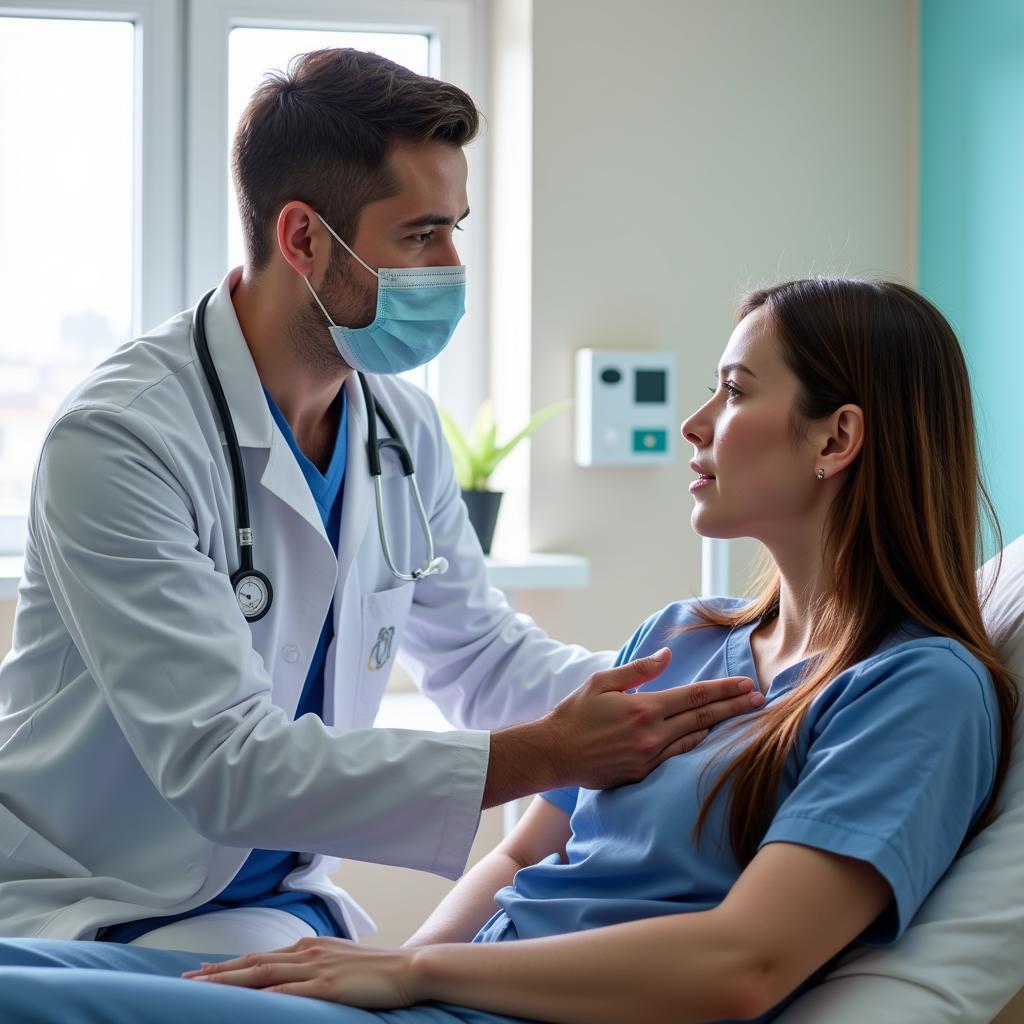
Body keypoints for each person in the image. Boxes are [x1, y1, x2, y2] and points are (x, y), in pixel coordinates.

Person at [0, 276, 1015, 1024]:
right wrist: (391, 982)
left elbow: (742, 962)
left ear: (835, 439)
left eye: (736, 391)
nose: (696, 423)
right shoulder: (683, 637)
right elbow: (525, 850)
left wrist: (415, 976)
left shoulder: (914, 688)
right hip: (447, 994)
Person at [0, 49, 753, 953]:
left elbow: (478, 658)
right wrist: (555, 752)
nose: (451, 267)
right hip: (88, 908)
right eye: (420, 236)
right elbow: (222, 763)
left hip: (271, 911)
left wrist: (695, 692)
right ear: (304, 238)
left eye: (456, 230)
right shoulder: (121, 439)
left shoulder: (400, 428)